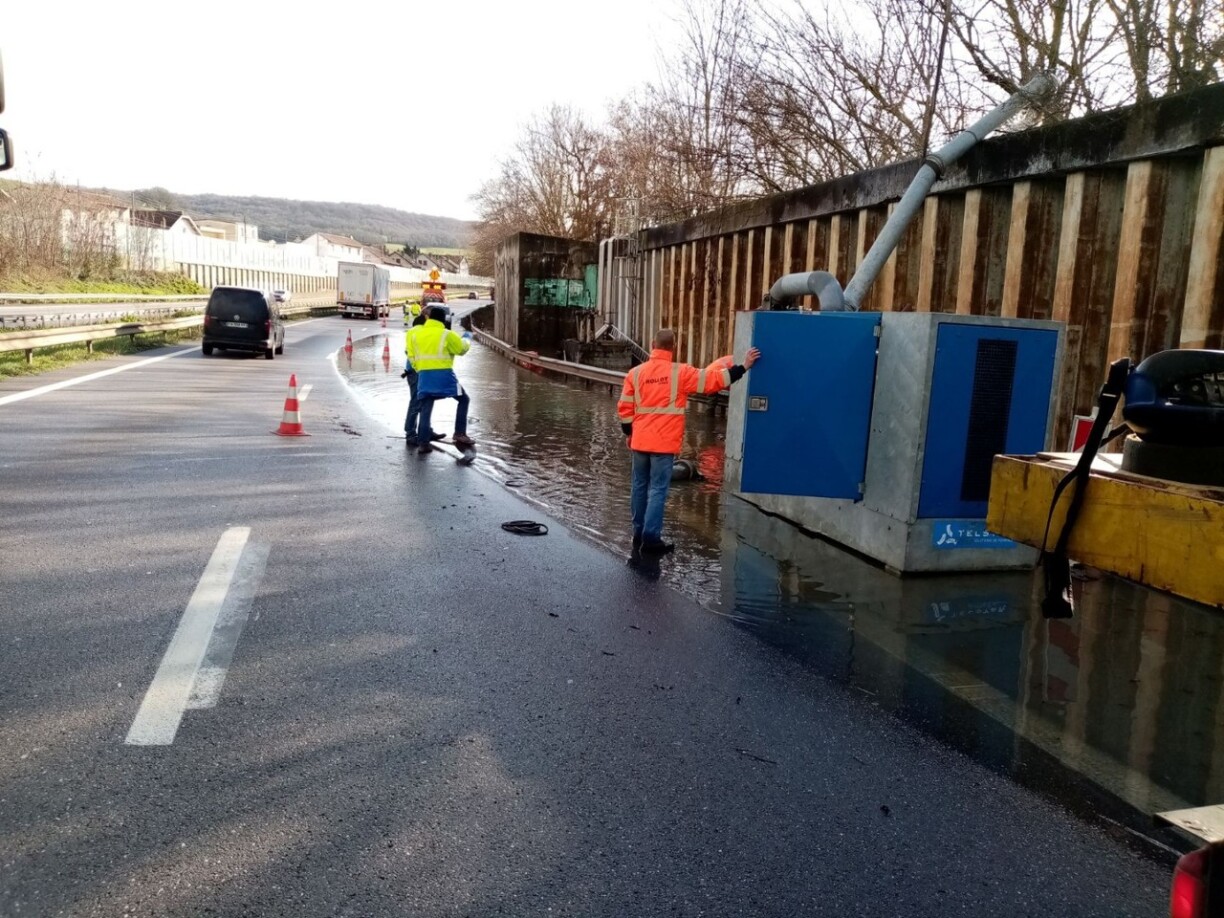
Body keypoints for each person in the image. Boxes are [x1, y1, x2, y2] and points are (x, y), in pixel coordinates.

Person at [618, 330, 760, 554]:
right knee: (657, 490)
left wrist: (629, 433)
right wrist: (743, 366)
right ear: (673, 348)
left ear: (653, 344)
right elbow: (714, 380)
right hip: (663, 446)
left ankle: (638, 533)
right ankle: (651, 538)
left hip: (640, 442)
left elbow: (625, 409)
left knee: (639, 486)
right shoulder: (680, 373)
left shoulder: (635, 374)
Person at [406, 305, 475, 455]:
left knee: (426, 407)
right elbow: (461, 349)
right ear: (443, 320)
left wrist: (420, 369)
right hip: (444, 375)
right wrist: (467, 338)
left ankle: (423, 443)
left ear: (429, 318)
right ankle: (459, 433)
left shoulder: (417, 334)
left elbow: (411, 356)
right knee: (463, 399)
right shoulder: (446, 334)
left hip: (424, 375)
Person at [402, 306, 441, 447]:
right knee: (416, 402)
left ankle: (426, 431)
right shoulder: (418, 330)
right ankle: (410, 433)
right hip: (415, 372)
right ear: (426, 317)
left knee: (426, 402)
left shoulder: (426, 330)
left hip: (423, 371)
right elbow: (409, 352)